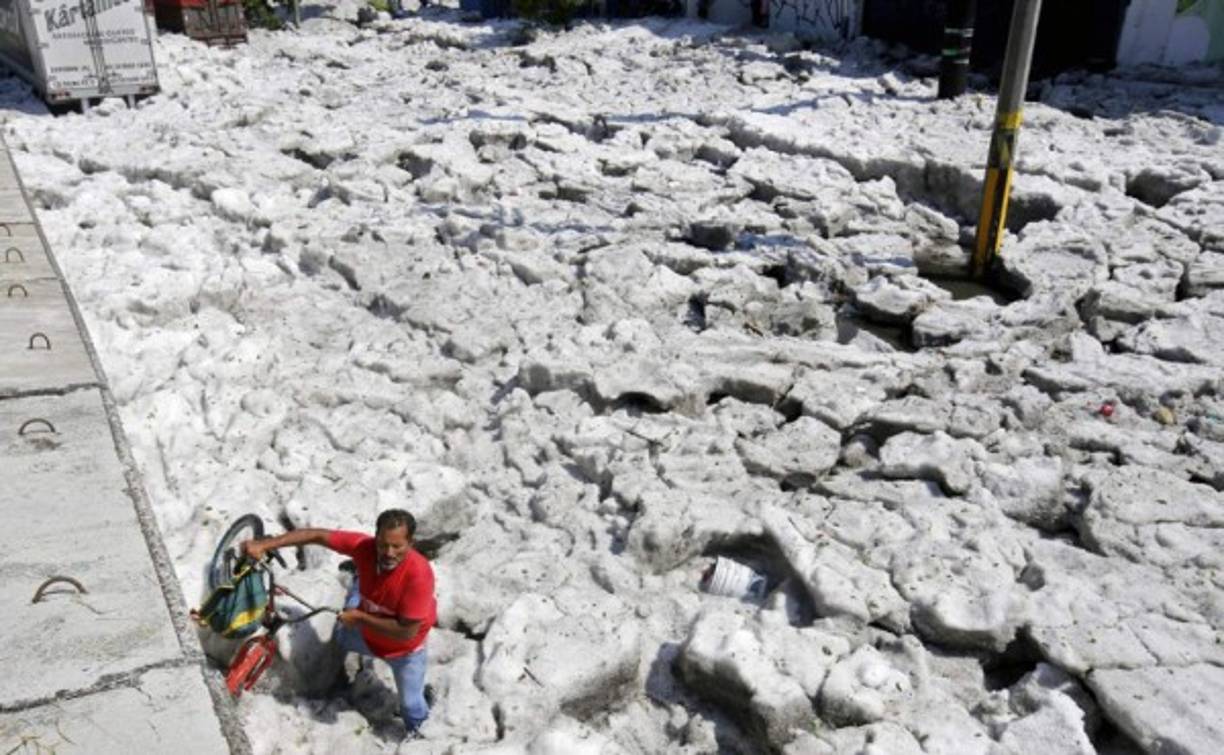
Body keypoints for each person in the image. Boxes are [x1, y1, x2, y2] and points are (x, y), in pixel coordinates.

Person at [241, 509, 436, 736]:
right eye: (383, 545)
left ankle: (421, 733)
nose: (388, 553)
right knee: (343, 632)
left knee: (411, 707)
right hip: (365, 634)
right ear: (375, 537)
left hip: (404, 651)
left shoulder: (419, 576)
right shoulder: (365, 547)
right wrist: (266, 545)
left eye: (397, 547)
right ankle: (358, 578)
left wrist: (361, 618)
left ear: (410, 543)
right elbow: (317, 536)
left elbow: (406, 632)